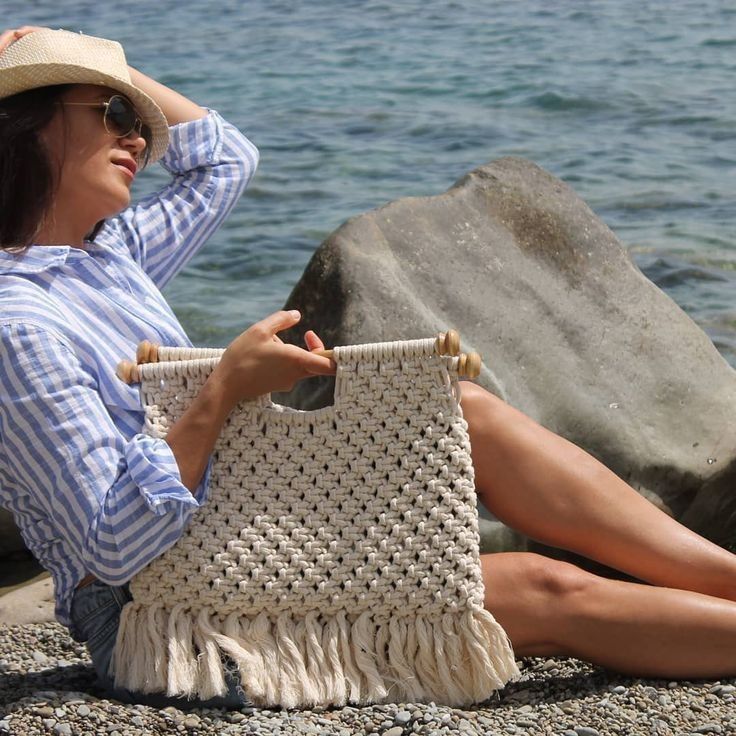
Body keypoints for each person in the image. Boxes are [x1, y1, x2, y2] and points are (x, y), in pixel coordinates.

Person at [0, 25, 735, 711]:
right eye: (110, 114)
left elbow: (222, 157)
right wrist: (224, 390)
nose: (136, 135)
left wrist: (97, 66)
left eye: (134, 114)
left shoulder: (105, 259)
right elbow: (110, 545)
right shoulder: (17, 326)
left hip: (246, 532)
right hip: (169, 611)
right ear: (28, 127)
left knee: (460, 411)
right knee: (541, 587)